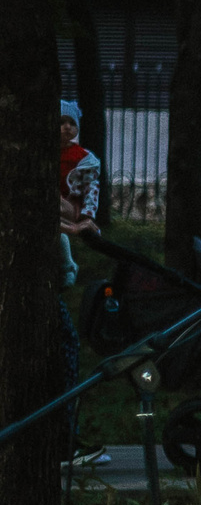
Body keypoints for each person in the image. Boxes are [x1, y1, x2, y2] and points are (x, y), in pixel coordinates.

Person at [58, 103, 106, 466]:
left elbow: (86, 198)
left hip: (68, 218)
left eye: (71, 122)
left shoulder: (83, 160)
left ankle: (63, 439)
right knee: (64, 346)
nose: (65, 129)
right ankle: (63, 444)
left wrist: (83, 219)